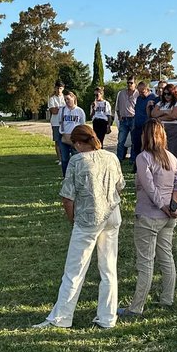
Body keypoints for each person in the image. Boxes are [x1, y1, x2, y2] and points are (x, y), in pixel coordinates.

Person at [36, 124, 124, 329]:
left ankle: (61, 317)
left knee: (74, 270)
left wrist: (72, 220)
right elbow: (120, 186)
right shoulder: (111, 157)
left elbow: (67, 197)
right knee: (109, 269)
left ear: (78, 143)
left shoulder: (77, 161)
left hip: (87, 219)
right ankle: (108, 317)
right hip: (112, 215)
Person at [121, 119, 177, 320]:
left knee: (145, 263)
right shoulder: (172, 158)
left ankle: (136, 307)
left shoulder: (143, 158)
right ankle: (167, 298)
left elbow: (149, 188)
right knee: (166, 257)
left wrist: (163, 206)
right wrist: (173, 206)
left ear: (146, 136)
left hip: (149, 215)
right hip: (168, 217)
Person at [151, 85, 177, 175]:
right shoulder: (160, 103)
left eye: (169, 94)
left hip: (175, 129)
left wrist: (161, 117)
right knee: (162, 151)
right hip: (161, 129)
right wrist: (165, 112)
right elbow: (153, 114)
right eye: (165, 94)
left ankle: (176, 173)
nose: (167, 96)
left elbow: (174, 116)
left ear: (174, 94)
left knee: (173, 152)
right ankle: (164, 172)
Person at [58, 91, 87, 175]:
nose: (66, 101)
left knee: (77, 158)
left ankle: (77, 176)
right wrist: (63, 134)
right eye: (65, 99)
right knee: (64, 159)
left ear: (73, 98)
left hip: (76, 139)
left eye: (68, 99)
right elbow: (60, 123)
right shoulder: (62, 110)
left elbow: (83, 125)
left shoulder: (80, 111)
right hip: (64, 137)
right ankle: (65, 177)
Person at [130, 81, 157, 169]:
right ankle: (137, 165)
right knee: (136, 146)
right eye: (139, 91)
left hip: (146, 127)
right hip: (137, 126)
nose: (141, 93)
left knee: (146, 147)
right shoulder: (139, 98)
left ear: (147, 89)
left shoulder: (153, 98)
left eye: (143, 91)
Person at [115, 78, 137, 161]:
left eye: (131, 83)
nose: (129, 84)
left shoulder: (137, 94)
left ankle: (133, 159)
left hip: (133, 118)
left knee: (134, 140)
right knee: (121, 141)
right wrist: (119, 116)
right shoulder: (121, 93)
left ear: (135, 84)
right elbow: (117, 107)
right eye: (128, 83)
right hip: (123, 119)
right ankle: (119, 159)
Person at [47, 82, 66, 164]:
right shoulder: (52, 99)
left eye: (60, 88)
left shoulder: (66, 98)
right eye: (57, 88)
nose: (59, 90)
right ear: (55, 88)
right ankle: (60, 159)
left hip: (65, 122)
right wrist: (62, 108)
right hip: (55, 123)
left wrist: (58, 108)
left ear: (63, 89)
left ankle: (65, 157)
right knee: (57, 141)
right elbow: (54, 111)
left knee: (66, 140)